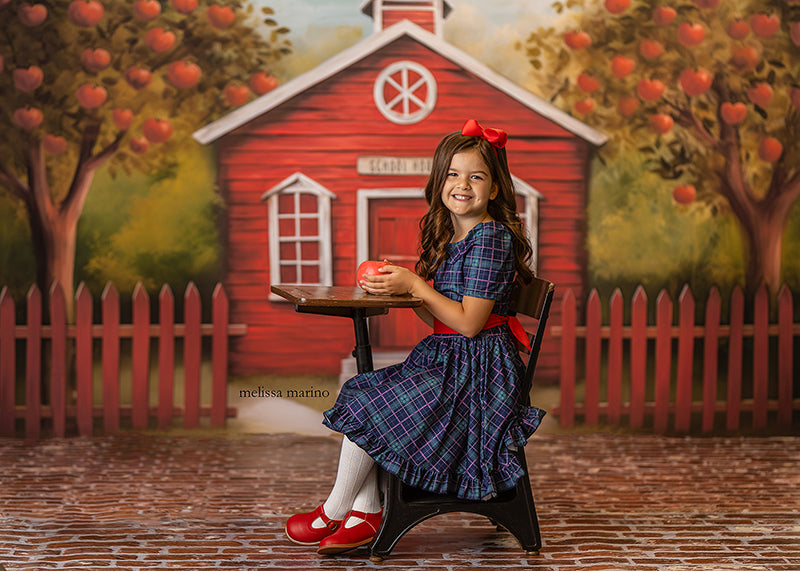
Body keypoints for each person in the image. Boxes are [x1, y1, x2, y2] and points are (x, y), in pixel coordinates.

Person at [285, 119, 546, 555]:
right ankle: (366, 512)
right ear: (439, 181)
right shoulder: (456, 235)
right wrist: (404, 288)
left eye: (476, 176)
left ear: (495, 189)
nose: (462, 185)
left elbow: (469, 324)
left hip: (481, 380)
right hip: (454, 361)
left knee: (369, 398)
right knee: (365, 390)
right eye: (452, 174)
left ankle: (335, 509)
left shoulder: (491, 239)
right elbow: (441, 323)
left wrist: (417, 284)